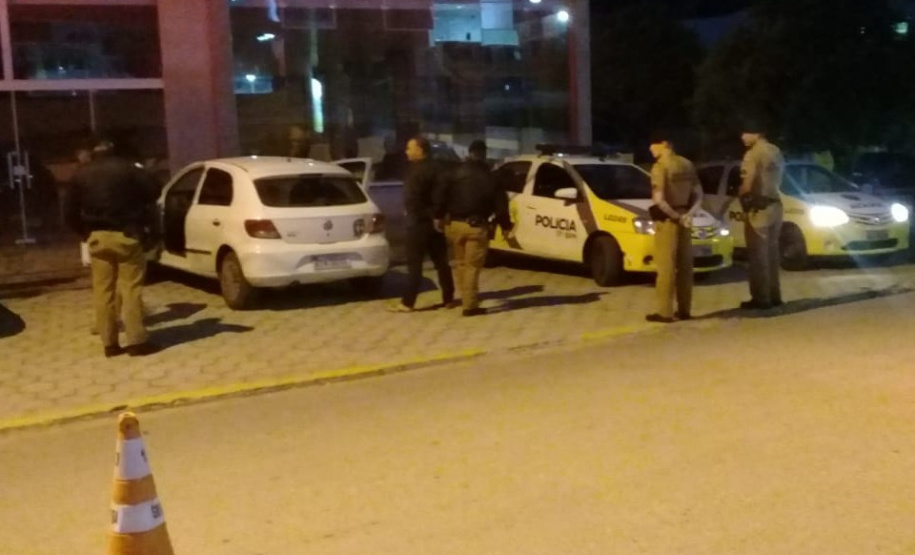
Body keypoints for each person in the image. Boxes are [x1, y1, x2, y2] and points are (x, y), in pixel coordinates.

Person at [66, 138, 161, 357]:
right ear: (114, 150)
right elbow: (154, 191)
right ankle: (137, 341)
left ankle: (109, 344)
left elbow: (69, 211)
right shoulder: (128, 168)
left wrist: (84, 233)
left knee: (103, 291)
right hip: (126, 235)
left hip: (97, 238)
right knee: (130, 289)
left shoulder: (81, 173)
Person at [434, 140, 513, 317]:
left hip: (454, 225)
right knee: (472, 267)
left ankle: (466, 298)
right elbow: (501, 206)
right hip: (476, 227)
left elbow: (440, 195)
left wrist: (438, 216)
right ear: (484, 154)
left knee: (461, 263)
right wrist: (506, 226)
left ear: (469, 153)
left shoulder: (453, 172)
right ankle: (470, 306)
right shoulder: (492, 177)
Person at [388, 136, 455, 313]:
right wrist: (438, 214)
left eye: (409, 148)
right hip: (435, 223)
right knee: (441, 262)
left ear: (419, 150)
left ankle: (408, 302)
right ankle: (448, 297)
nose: (406, 152)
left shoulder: (415, 171)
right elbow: (444, 193)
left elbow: (412, 197)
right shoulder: (438, 168)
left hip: (418, 223)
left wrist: (413, 212)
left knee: (415, 265)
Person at [645, 133, 703, 323]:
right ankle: (685, 310)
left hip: (669, 221)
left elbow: (659, 200)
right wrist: (688, 214)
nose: (650, 149)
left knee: (666, 267)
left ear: (664, 144)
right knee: (686, 267)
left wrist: (675, 216)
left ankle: (665, 312)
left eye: (653, 144)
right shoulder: (687, 164)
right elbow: (699, 195)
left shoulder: (660, 167)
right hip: (686, 217)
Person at [738, 123, 785, 310]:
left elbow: (747, 185)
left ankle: (761, 298)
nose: (742, 137)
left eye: (744, 133)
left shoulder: (753, 154)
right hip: (776, 205)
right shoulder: (776, 151)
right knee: (772, 254)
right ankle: (775, 295)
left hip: (759, 209)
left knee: (758, 256)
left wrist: (742, 199)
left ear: (755, 133)